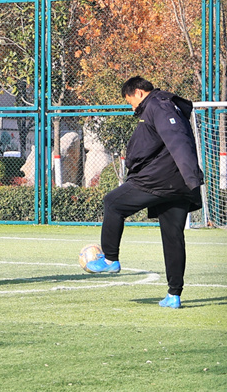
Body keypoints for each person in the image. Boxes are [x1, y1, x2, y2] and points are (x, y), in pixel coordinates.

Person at [85, 76, 203, 309]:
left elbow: (178, 138)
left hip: (160, 180)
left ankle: (110, 258)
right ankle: (174, 295)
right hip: (174, 183)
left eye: (130, 100)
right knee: (173, 237)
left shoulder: (159, 105)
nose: (131, 106)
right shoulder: (160, 106)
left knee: (113, 203)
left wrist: (192, 176)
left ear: (138, 92)